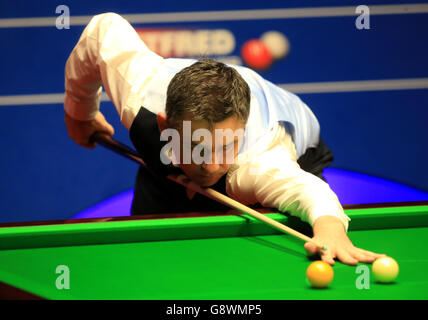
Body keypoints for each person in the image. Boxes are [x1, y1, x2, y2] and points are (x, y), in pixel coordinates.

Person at [64, 12, 384, 265]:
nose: (213, 164)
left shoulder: (257, 162)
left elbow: (307, 191)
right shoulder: (139, 96)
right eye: (199, 147)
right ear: (165, 126)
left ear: (240, 132)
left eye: (226, 147)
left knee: (256, 251)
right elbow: (101, 31)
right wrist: (80, 114)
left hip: (298, 148)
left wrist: (329, 227)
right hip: (168, 156)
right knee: (147, 249)